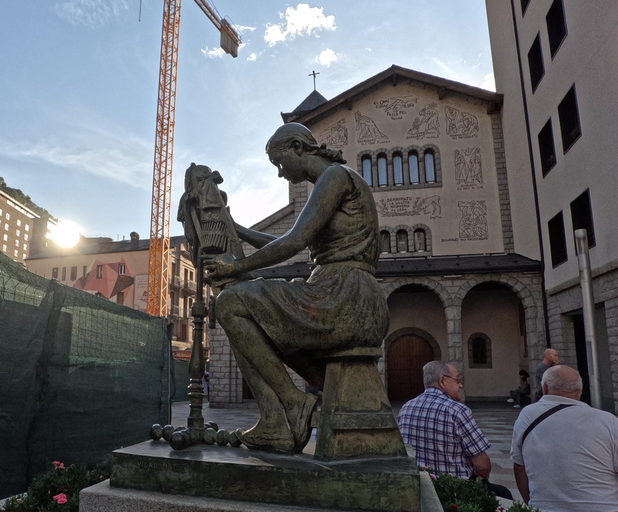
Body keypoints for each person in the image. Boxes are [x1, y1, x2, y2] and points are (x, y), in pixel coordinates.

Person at [204, 123, 389, 453]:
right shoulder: (333, 181)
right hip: (345, 293)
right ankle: (276, 422)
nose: (279, 174)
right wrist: (238, 230)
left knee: (230, 303)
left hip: (344, 295)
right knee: (255, 313)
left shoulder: (335, 177)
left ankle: (291, 404)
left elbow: (295, 241)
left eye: (279, 163)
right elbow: (286, 241)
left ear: (297, 147)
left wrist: (236, 267)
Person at [398, 361, 512, 499]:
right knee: (504, 494)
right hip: (455, 489)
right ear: (442, 381)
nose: (460, 385)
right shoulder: (457, 411)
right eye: (457, 380)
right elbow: (481, 465)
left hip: (420, 486)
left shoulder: (406, 408)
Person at [510, 365, 618, 511]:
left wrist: (532, 504)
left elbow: (519, 467)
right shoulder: (609, 421)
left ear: (545, 388)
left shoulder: (528, 415)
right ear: (580, 389)